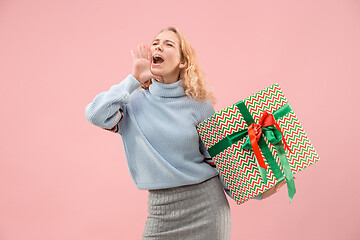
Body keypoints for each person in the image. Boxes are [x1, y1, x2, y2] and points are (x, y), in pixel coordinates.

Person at [85, 26, 286, 240]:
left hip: (207, 208)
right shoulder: (131, 103)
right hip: (160, 213)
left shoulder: (199, 105)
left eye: (168, 44)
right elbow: (95, 114)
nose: (158, 46)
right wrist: (133, 79)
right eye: (155, 43)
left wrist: (258, 190)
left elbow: (218, 160)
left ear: (182, 61)